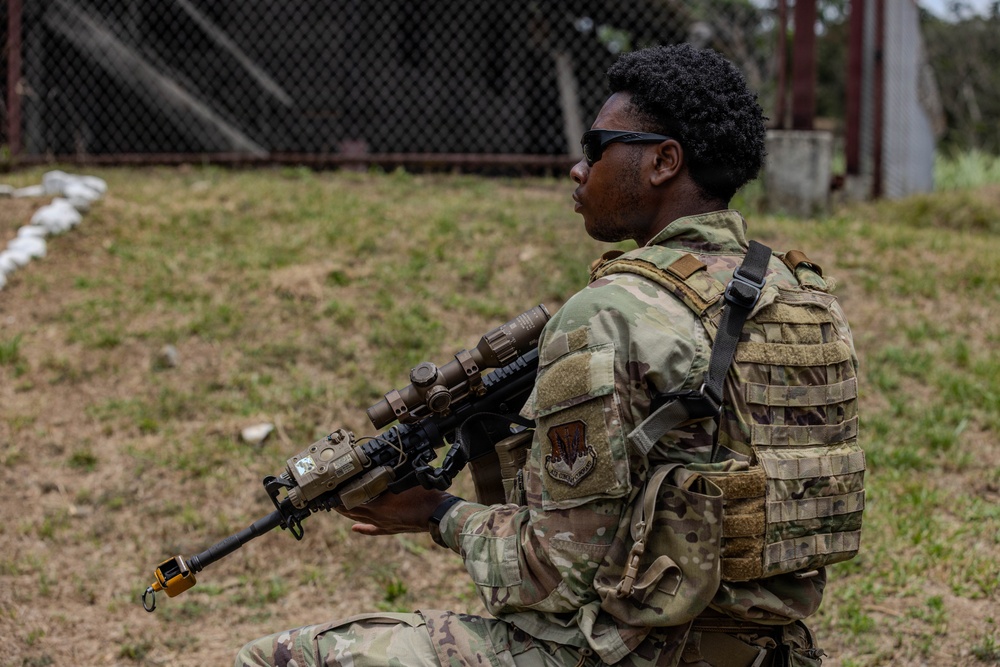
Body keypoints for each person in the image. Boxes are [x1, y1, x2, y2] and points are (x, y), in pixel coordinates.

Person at [236, 43, 860, 667]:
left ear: (664, 161)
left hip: (637, 656)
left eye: (597, 147)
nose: (577, 168)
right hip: (778, 653)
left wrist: (436, 512)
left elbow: (555, 574)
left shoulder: (607, 314)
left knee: (275, 659)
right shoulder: (805, 296)